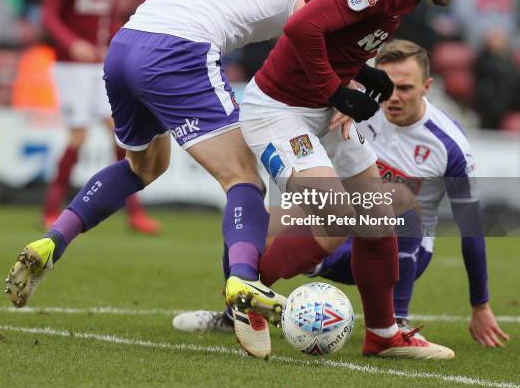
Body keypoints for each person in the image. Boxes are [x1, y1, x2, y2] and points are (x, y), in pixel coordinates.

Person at [4, 0, 358, 360]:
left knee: (145, 166)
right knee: (243, 178)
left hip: (126, 44)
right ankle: (242, 283)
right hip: (181, 53)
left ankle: (52, 240)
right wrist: (347, 88)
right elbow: (333, 28)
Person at [233, 0, 501, 359]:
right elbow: (301, 28)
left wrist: (361, 72)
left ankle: (382, 334)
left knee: (378, 220)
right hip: (279, 109)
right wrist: (337, 92)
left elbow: (338, 31)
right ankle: (246, 296)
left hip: (317, 104)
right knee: (338, 216)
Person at [175, 40, 509, 349]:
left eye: (406, 89)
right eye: (388, 88)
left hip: (400, 249)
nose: (394, 98)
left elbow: (471, 229)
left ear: (427, 87)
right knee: (250, 219)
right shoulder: (356, 108)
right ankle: (240, 310)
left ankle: (396, 319)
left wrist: (480, 306)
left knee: (392, 195)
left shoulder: (449, 144)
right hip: (339, 231)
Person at [40, 0, 159, 235]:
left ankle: (133, 211)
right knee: (78, 136)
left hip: (99, 65)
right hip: (70, 67)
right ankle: (51, 208)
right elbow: (49, 16)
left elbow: (110, 18)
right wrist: (71, 43)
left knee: (120, 134)